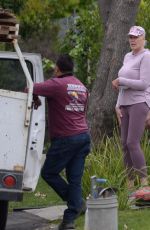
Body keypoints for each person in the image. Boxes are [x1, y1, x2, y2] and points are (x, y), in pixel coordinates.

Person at [32, 54, 91, 230]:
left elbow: (30, 87)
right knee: (75, 180)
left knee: (49, 173)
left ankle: (76, 202)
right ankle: (69, 220)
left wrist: (34, 97)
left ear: (57, 68)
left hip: (66, 139)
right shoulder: (81, 86)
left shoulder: (56, 84)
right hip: (83, 137)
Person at [112, 26, 150, 191]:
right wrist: (117, 105)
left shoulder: (146, 56)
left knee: (132, 142)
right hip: (124, 105)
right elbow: (122, 85)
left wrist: (121, 80)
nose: (132, 40)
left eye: (136, 37)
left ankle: (145, 185)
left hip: (138, 103)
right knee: (124, 144)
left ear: (143, 39)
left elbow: (143, 84)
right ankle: (130, 186)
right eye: (131, 37)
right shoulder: (127, 56)